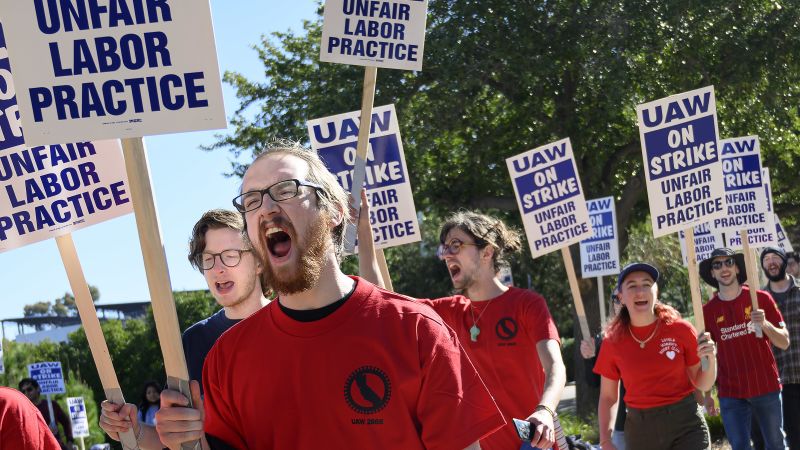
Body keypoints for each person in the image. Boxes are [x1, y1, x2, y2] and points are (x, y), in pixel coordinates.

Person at [156, 144, 505, 449]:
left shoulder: (417, 331)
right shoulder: (225, 359)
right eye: (251, 200)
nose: (265, 208)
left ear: (336, 211)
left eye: (285, 189)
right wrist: (188, 440)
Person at [98, 209, 270, 449]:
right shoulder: (192, 341)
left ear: (260, 260)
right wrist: (131, 429)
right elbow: (177, 441)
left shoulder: (294, 324)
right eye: (208, 259)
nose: (217, 268)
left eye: (230, 255)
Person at [416, 211, 566, 450]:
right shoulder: (449, 312)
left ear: (487, 252)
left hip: (533, 445)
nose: (446, 254)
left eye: (456, 245)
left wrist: (545, 410)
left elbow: (555, 367)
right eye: (444, 248)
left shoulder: (527, 304)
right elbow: (387, 305)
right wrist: (366, 234)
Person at [594, 263, 717, 450]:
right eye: (632, 286)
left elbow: (703, 383)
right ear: (621, 297)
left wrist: (711, 359)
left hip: (686, 424)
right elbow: (608, 397)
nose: (640, 291)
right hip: (640, 430)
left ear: (656, 291)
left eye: (646, 284)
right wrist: (605, 440)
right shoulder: (612, 342)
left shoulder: (681, 330)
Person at [699, 247, 790, 450]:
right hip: (730, 392)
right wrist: (706, 394)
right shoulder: (707, 312)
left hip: (765, 386)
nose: (724, 268)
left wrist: (765, 324)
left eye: (729, 262)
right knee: (739, 446)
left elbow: (784, 342)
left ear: (737, 268)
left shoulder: (761, 299)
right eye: (717, 265)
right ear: (712, 273)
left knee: (775, 444)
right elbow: (704, 359)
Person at [759, 247, 799, 449]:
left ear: (784, 261)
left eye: (775, 257)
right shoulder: (758, 301)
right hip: (780, 381)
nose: (771, 262)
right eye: (766, 259)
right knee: (793, 438)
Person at [581, 288, 626, 450]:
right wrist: (589, 358)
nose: (622, 302)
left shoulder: (652, 333)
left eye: (625, 295)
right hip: (619, 427)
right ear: (612, 304)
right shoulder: (604, 340)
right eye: (617, 298)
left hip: (653, 424)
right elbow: (593, 382)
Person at [18, 378, 74, 450]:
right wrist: (46, 431)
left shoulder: (51, 405)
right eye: (23, 391)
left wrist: (70, 442)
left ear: (37, 389)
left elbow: (66, 422)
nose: (26, 393)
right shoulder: (22, 411)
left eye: (29, 389)